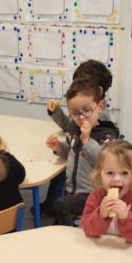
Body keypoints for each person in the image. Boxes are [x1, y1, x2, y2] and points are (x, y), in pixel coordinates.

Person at [43, 60, 114, 220]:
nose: (81, 117)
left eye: (87, 110)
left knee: (62, 207)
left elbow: (106, 162)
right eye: (74, 113)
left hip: (93, 193)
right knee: (64, 213)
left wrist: (87, 140)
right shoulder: (78, 123)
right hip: (74, 190)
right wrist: (59, 148)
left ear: (99, 104)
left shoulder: (105, 130)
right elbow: (73, 149)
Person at [81, 141, 132, 244]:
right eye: (110, 173)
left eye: (124, 173)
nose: (117, 179)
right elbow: (87, 229)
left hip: (125, 250)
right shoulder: (96, 196)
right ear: (100, 174)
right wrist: (100, 214)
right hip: (99, 247)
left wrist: (126, 218)